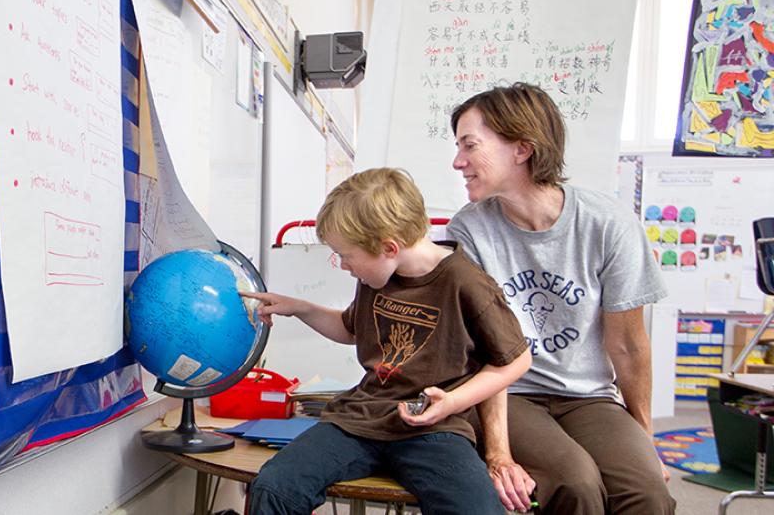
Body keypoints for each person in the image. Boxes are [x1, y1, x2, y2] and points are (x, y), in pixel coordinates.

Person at [242, 168, 532, 515]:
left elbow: (515, 360)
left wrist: (452, 401)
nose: (343, 265)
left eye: (346, 256)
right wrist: (301, 308)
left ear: (389, 247)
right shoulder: (377, 275)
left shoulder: (467, 283)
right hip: (360, 420)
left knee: (478, 510)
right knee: (274, 488)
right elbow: (351, 329)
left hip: (434, 430)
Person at [445, 83, 676, 515]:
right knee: (576, 483)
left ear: (522, 148)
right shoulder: (470, 231)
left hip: (589, 396)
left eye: (469, 146)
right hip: (510, 392)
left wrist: (644, 439)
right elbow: (482, 351)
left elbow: (626, 344)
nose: (458, 162)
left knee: (647, 492)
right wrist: (499, 454)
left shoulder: (608, 223)